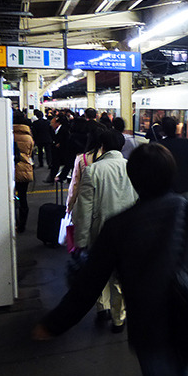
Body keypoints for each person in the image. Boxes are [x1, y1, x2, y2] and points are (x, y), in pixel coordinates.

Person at [32, 143, 188, 376]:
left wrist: (53, 324)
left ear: (133, 178)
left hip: (152, 331)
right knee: (179, 374)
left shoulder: (118, 227)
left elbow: (88, 285)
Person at [72, 129, 137, 332]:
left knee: (100, 273)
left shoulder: (93, 171)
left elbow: (83, 210)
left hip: (100, 232)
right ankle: (120, 318)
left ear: (102, 147)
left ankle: (103, 308)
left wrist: (80, 242)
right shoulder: (132, 168)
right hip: (127, 233)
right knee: (120, 277)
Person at [160, 116, 188, 193]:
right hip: (185, 186)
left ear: (163, 130)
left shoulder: (159, 145)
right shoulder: (185, 142)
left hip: (167, 189)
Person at [13, 111, 35, 233]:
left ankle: (12, 222)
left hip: (11, 169)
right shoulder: (28, 137)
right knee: (22, 197)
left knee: (10, 197)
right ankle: (22, 224)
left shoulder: (8, 134)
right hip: (25, 169)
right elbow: (30, 152)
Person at [44, 113, 72, 183]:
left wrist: (60, 144)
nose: (51, 125)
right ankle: (52, 177)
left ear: (58, 123)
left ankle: (60, 178)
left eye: (52, 123)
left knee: (65, 165)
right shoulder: (54, 130)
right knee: (56, 165)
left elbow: (66, 140)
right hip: (58, 152)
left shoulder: (64, 130)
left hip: (63, 152)